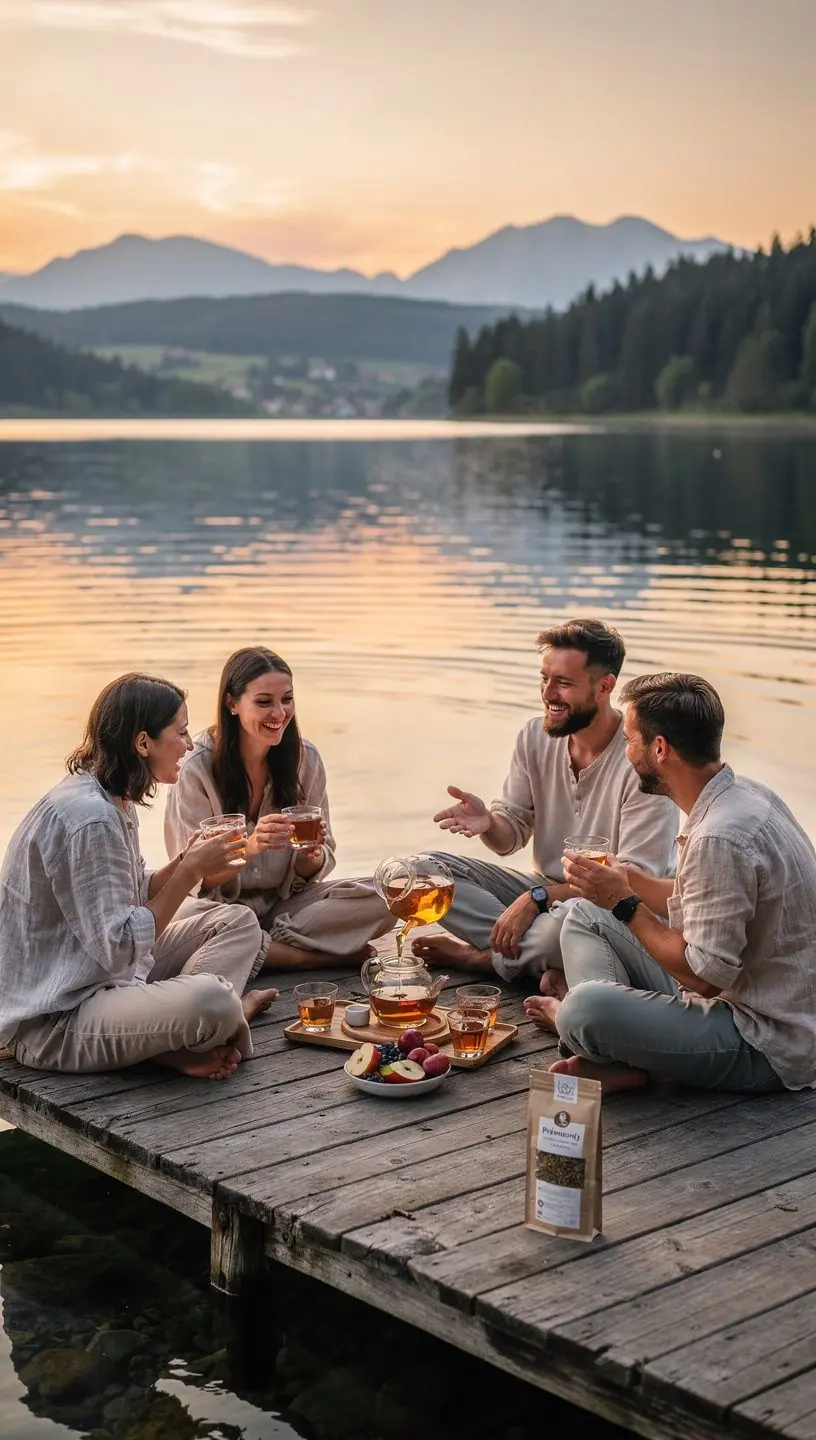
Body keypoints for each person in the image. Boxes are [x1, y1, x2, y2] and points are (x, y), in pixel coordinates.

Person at [525, 671, 816, 1094]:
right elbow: (701, 899)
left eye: (629, 740)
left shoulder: (719, 837)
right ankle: (619, 1053)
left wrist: (624, 902)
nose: (626, 752)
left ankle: (593, 1034)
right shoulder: (744, 795)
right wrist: (626, 881)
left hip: (762, 1040)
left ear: (659, 748)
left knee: (582, 1009)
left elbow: (704, 978)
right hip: (731, 997)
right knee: (587, 913)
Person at [0, 673, 279, 1080]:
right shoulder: (91, 820)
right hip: (56, 1020)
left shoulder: (111, 796)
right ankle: (219, 1017)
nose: (189, 744)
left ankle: (174, 1036)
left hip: (104, 980)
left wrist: (185, 859)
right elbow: (121, 946)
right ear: (143, 742)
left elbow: (128, 892)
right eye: (181, 732)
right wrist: (189, 871)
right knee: (212, 1000)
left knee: (238, 922)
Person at [413, 619, 678, 983]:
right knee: (422, 872)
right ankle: (534, 954)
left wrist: (537, 899)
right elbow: (509, 839)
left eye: (563, 683)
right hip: (544, 891)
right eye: (544, 678)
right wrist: (489, 823)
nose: (548, 694)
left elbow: (628, 887)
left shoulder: (643, 761)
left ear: (605, 686)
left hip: (609, 910)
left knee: (568, 926)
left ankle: (486, 958)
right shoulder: (533, 737)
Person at [164, 646, 393, 969]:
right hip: (218, 912)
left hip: (285, 910)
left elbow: (312, 871)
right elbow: (192, 877)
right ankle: (310, 958)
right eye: (264, 702)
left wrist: (310, 857)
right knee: (199, 920)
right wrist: (250, 846)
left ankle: (260, 949)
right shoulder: (195, 768)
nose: (279, 713)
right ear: (231, 703)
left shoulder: (306, 759)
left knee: (388, 896)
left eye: (287, 699)